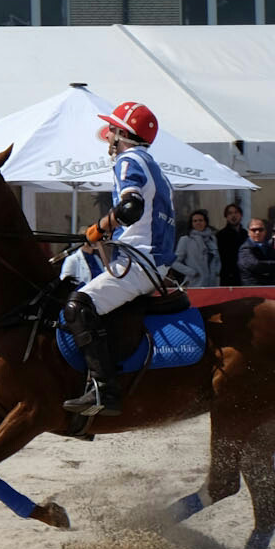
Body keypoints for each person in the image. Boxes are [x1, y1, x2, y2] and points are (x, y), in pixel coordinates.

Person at [63, 100, 178, 417]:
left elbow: (131, 208)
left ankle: (104, 390)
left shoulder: (128, 160)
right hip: (151, 258)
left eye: (113, 129)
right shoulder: (153, 165)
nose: (109, 135)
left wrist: (100, 226)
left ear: (123, 134)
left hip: (142, 260)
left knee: (78, 305)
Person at [172, 208, 221, 288]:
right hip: (195, 283)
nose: (198, 223)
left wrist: (217, 271)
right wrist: (192, 272)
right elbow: (174, 262)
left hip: (213, 284)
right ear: (191, 223)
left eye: (200, 220)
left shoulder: (212, 239)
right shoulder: (186, 240)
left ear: (205, 222)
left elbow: (217, 258)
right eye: (195, 221)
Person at [237, 215, 275, 285]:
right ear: (248, 232)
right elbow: (256, 265)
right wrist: (274, 265)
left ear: (265, 231)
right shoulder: (245, 249)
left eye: (260, 230)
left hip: (269, 288)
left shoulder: (268, 246)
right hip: (252, 289)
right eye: (254, 230)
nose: (257, 232)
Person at [214, 202, 248, 288]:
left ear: (241, 215)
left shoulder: (245, 234)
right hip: (228, 277)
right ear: (226, 217)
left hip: (244, 275)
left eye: (236, 212)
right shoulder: (221, 235)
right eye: (230, 213)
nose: (233, 216)